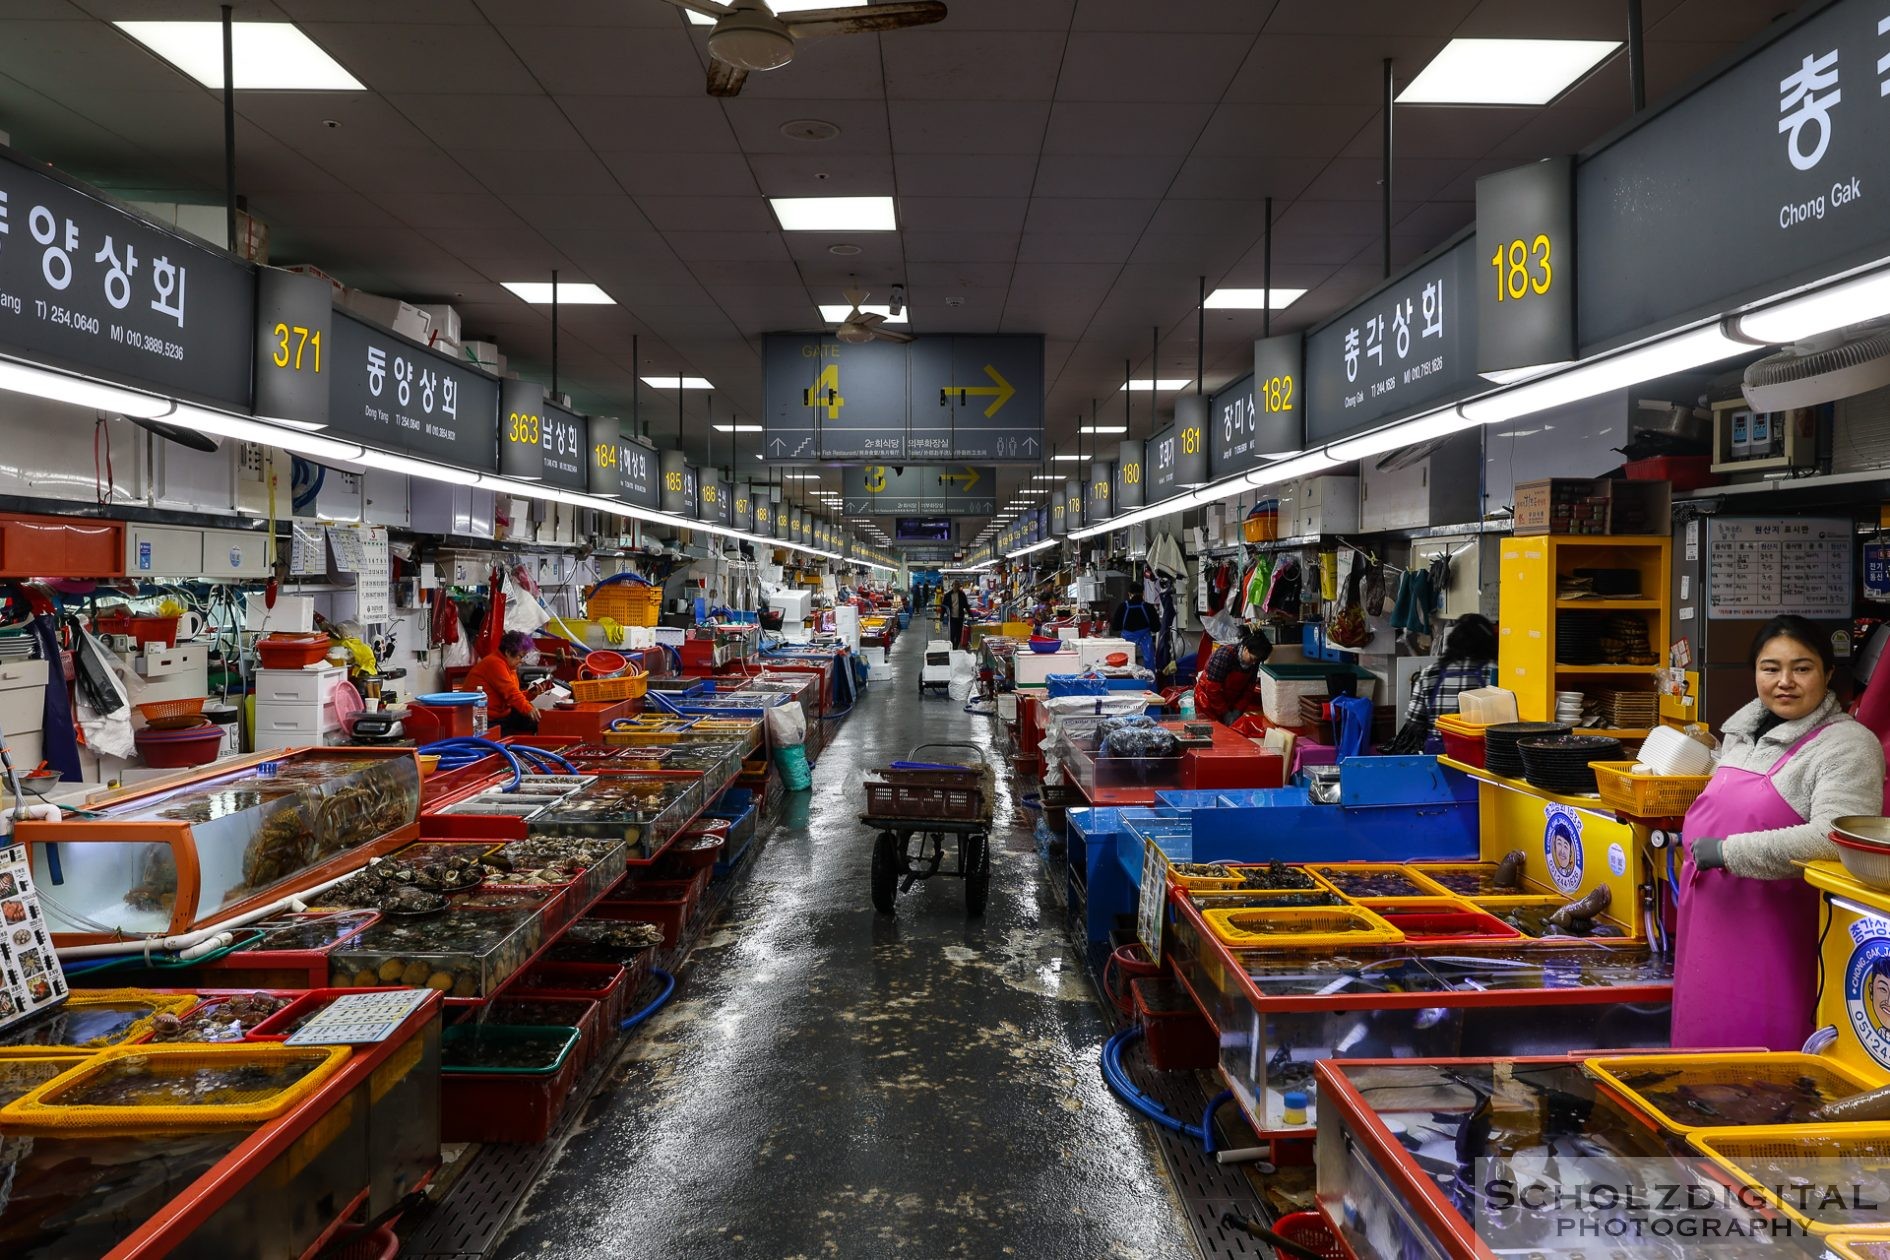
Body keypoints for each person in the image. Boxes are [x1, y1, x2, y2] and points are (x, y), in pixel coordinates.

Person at [1672, 615, 1886, 1051]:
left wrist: (1725, 852)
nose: (1784, 681)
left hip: (1779, 934)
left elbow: (1834, 838)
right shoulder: (1741, 733)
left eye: (1802, 668)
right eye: (1770, 668)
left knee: (1765, 1058)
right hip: (1710, 921)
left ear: (1827, 674)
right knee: (1701, 1047)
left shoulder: (1847, 745)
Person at [1404, 614, 1498, 729]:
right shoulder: (1493, 671)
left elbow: (1413, 720)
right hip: (1480, 745)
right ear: (1488, 642)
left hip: (1439, 745)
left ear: (1453, 640)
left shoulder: (1430, 673)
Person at [462, 629, 548, 735]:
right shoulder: (495, 663)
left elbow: (512, 694)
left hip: (501, 715)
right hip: (483, 719)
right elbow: (511, 693)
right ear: (507, 652)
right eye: (520, 656)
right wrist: (528, 708)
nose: (522, 660)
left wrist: (530, 694)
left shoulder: (509, 666)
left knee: (536, 722)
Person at [1193, 626, 1273, 725]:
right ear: (1246, 649)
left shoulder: (1253, 663)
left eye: (1256, 661)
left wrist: (1237, 711)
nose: (1253, 663)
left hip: (1228, 703)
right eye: (1252, 659)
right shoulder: (1224, 655)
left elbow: (1248, 690)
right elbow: (1212, 690)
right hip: (1207, 702)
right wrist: (1225, 713)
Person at [1108, 587, 1159, 670]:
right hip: (1145, 648)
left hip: (1127, 646)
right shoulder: (1148, 607)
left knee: (1127, 670)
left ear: (1129, 594)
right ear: (1143, 593)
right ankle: (1148, 683)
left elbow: (1115, 627)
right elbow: (1156, 628)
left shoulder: (1122, 606)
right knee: (1147, 673)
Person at [943, 581, 971, 650]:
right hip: (951, 617)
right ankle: (952, 645)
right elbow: (944, 606)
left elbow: (966, 605)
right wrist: (941, 616)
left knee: (959, 633)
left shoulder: (962, 594)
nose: (956, 587)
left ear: (959, 587)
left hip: (960, 617)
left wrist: (970, 614)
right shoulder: (947, 595)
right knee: (952, 632)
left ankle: (956, 645)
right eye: (954, 585)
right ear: (952, 586)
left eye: (957, 586)